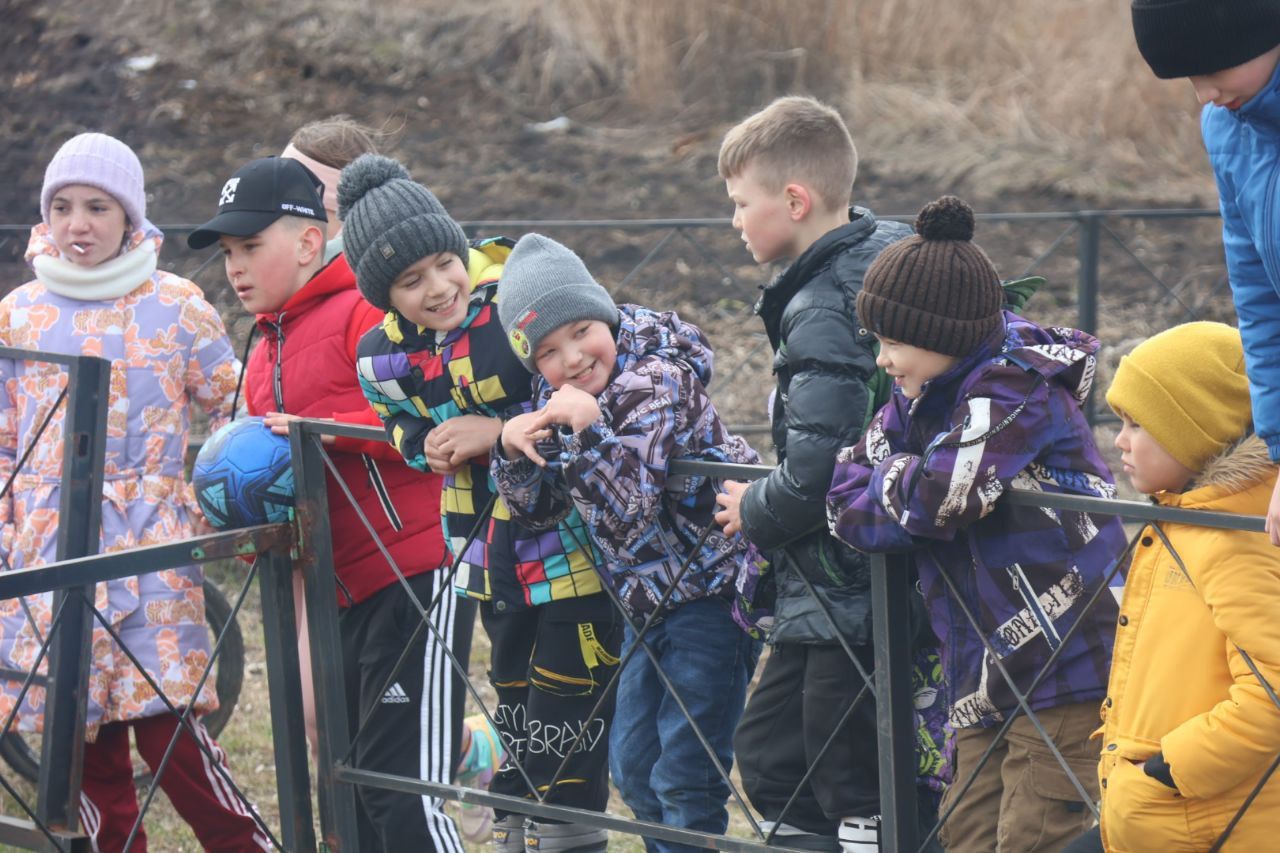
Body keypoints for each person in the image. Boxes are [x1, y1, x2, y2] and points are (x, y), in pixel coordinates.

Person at [826, 195, 1127, 852]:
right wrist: (906, 473)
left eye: (894, 341)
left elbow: (941, 499)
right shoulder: (928, 393)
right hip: (982, 665)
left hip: (1065, 661)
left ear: (943, 336)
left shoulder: (1016, 388)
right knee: (965, 832)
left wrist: (899, 473)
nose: (881, 359)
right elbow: (842, 492)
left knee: (1036, 833)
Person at [188, 153, 470, 852]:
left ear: (311, 242)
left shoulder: (365, 315)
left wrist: (324, 434)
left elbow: (436, 423)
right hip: (332, 587)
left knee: (401, 790)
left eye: (252, 246)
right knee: (345, 789)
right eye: (228, 252)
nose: (236, 267)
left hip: (415, 575)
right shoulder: (263, 350)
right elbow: (276, 476)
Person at [0, 132, 269, 851]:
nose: (77, 223)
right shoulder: (19, 312)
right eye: (62, 206)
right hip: (48, 551)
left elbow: (235, 409)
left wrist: (226, 504)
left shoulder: (176, 305)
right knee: (82, 746)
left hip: (149, 548)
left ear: (130, 217)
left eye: (96, 206)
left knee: (172, 731)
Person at [345, 155, 620, 853]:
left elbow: (578, 389)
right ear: (384, 294)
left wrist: (494, 433)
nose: (439, 287)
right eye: (412, 281)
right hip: (482, 550)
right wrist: (425, 446)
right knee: (515, 688)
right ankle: (520, 820)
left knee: (571, 696)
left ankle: (571, 830)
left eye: (444, 262)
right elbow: (400, 426)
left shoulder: (510, 307)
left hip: (568, 543)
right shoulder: (381, 357)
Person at [489, 233, 763, 852]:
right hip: (643, 607)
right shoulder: (557, 398)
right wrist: (514, 450)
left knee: (685, 777)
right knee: (634, 765)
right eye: (549, 353)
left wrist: (583, 432)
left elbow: (626, 513)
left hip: (713, 598)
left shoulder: (657, 382)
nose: (575, 358)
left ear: (607, 313)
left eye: (582, 330)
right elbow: (537, 512)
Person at [710, 94, 926, 852]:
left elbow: (815, 467)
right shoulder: (871, 256)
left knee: (849, 777)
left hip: (851, 577)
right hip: (829, 581)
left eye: (742, 203)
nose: (734, 221)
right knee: (772, 755)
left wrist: (752, 505)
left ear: (794, 201)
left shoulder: (827, 303)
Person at [1087, 322, 1280, 850]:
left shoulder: (1233, 538)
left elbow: (1273, 689)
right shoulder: (1188, 519)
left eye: (1136, 424)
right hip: (1167, 815)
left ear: (1197, 432)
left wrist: (1169, 769)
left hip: (1204, 818)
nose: (1119, 440)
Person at [1130, 0, 1280, 544]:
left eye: (1212, 70)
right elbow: (1261, 304)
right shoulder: (1226, 129)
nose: (1204, 94)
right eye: (1190, 78)